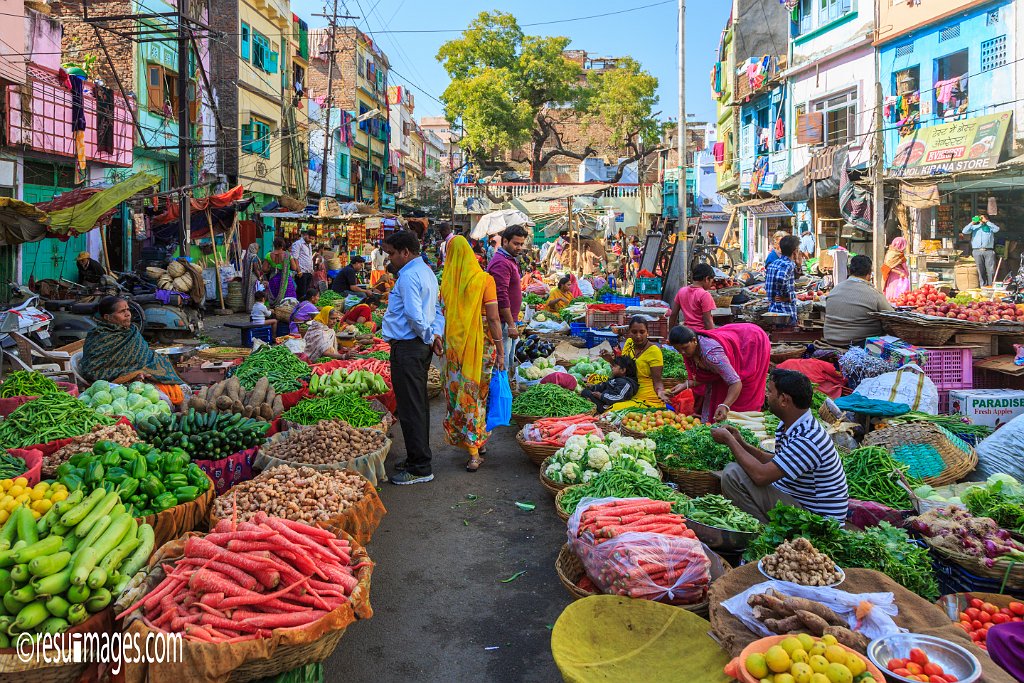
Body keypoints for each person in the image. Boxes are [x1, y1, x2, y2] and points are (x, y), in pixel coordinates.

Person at [714, 369, 848, 523]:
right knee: (736, 471)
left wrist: (729, 441)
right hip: (796, 501)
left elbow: (761, 476)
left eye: (770, 391)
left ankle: (762, 533)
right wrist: (740, 443)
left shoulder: (808, 438)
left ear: (784, 400)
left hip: (816, 519)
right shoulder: (790, 425)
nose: (766, 396)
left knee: (733, 473)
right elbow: (775, 461)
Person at [382, 230, 443, 486]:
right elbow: (437, 310)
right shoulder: (427, 272)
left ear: (405, 252)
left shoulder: (408, 276)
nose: (390, 259)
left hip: (409, 347)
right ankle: (416, 458)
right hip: (418, 345)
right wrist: (435, 334)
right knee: (416, 406)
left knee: (411, 408)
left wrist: (429, 336)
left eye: (392, 253)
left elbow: (415, 316)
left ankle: (420, 467)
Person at [438, 237, 504, 472]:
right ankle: (475, 452)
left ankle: (476, 441)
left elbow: (442, 313)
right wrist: (502, 350)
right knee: (476, 396)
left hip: (454, 349)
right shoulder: (485, 280)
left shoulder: (447, 282)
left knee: (461, 395)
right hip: (482, 347)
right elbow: (494, 318)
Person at [80, 296, 186, 405]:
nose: (128, 314)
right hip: (122, 384)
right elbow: (92, 371)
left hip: (145, 373)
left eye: (128, 310)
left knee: (180, 390)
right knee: (167, 400)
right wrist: (134, 373)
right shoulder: (99, 337)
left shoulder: (131, 331)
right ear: (108, 317)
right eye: (122, 311)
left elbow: (143, 354)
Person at [665, 323, 771, 423]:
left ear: (694, 340)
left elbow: (735, 382)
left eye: (684, 348)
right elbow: (706, 376)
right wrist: (685, 385)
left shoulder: (713, 355)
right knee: (718, 395)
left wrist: (725, 405)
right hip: (737, 337)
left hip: (751, 342)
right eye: (678, 350)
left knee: (743, 397)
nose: (682, 353)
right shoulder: (691, 351)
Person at [823, 255, 893, 347]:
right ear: (869, 274)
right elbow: (892, 316)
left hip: (830, 340)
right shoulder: (874, 294)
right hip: (859, 343)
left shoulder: (834, 290)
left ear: (849, 271)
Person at [600, 317, 665, 410]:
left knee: (613, 408)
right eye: (634, 332)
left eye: (642, 332)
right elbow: (623, 369)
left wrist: (660, 392)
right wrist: (610, 360)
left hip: (645, 396)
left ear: (647, 332)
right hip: (625, 389)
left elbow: (658, 381)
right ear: (629, 332)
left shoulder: (654, 351)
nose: (638, 336)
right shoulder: (629, 343)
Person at [487, 225, 527, 372]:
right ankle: (499, 393)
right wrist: (511, 324)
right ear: (504, 241)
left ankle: (505, 391)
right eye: (515, 243)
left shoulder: (509, 259)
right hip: (502, 322)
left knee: (508, 360)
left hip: (508, 321)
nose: (519, 247)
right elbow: (501, 295)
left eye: (521, 244)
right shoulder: (501, 262)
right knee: (501, 362)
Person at [670, 263, 717, 331]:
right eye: (711, 281)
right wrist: (713, 336)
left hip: (687, 333)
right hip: (701, 334)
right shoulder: (705, 295)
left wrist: (670, 335)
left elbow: (673, 315)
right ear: (707, 279)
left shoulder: (681, 291)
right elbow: (707, 321)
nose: (711, 284)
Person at [765, 235, 799, 325]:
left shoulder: (774, 264)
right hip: (785, 313)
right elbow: (781, 278)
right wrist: (786, 296)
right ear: (794, 250)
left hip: (773, 310)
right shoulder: (788, 264)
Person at [962, 214, 1000, 287]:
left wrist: (987, 222)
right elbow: (964, 231)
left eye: (983, 218)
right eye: (981, 218)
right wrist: (973, 222)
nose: (982, 219)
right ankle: (983, 286)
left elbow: (997, 229)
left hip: (988, 251)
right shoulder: (975, 227)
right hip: (977, 251)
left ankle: (991, 286)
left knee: (991, 270)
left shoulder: (990, 227)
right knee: (980, 270)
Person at [266, 238, 297, 304]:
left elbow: (264, 269)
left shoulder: (269, 255)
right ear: (282, 245)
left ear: (273, 245)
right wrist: (287, 267)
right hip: (286, 279)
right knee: (289, 298)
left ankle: (276, 311)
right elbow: (294, 268)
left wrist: (272, 268)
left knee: (274, 296)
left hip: (273, 279)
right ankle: (286, 312)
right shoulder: (287, 255)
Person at [882, 236, 911, 301]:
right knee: (895, 295)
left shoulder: (898, 253)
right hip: (895, 278)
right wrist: (900, 273)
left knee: (901, 296)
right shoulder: (892, 254)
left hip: (900, 278)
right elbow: (888, 267)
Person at [291, 229, 316, 298]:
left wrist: (312, 270)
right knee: (301, 294)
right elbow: (294, 258)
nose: (310, 240)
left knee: (306, 293)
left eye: (312, 239)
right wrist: (299, 271)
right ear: (306, 235)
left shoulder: (309, 245)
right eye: (309, 238)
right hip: (301, 272)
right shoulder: (298, 244)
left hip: (308, 272)